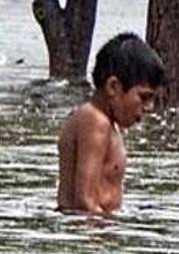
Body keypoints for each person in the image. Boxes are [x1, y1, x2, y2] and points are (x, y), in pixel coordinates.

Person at [57, 32, 165, 215]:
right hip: (90, 233)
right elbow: (84, 201)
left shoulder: (104, 122)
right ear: (113, 87)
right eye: (144, 97)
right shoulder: (96, 121)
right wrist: (101, 235)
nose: (149, 108)